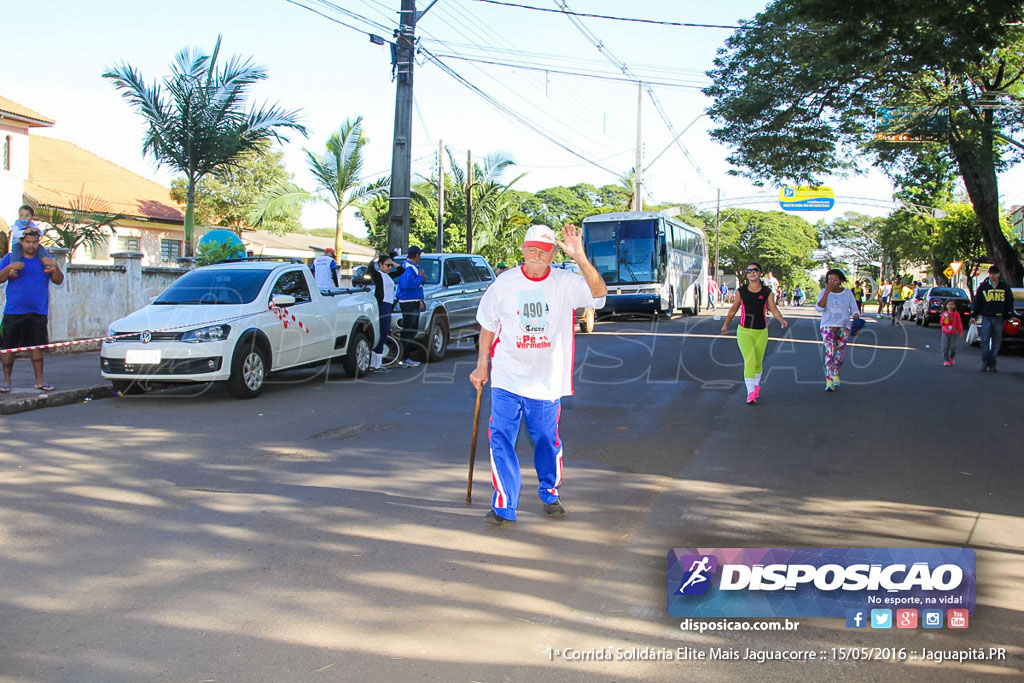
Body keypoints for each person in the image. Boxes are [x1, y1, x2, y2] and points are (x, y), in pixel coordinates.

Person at [469, 224, 606, 526]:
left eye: (543, 251)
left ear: (553, 254)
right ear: (522, 249)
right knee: (500, 436)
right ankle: (504, 503)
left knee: (546, 438)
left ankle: (549, 490)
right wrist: (482, 365)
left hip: (546, 380)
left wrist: (580, 256)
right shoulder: (505, 283)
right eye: (531, 249)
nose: (536, 255)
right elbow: (488, 325)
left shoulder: (565, 282)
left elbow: (598, 295)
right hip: (507, 375)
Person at [0, 227, 65, 392]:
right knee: (8, 349)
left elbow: (58, 280)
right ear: (21, 242)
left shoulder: (45, 260)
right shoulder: (11, 258)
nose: (31, 246)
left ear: (38, 242)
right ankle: (6, 382)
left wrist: (55, 267)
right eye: (27, 242)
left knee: (37, 348)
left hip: (38, 311)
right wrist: (10, 268)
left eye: (34, 242)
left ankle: (40, 381)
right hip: (14, 311)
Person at [720, 262, 789, 404]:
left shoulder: (766, 292)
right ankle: (750, 392)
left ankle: (756, 386)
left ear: (760, 273)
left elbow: (773, 309)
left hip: (761, 331)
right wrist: (726, 324)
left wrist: (781, 319)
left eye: (755, 270)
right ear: (746, 274)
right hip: (744, 331)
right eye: (749, 271)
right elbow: (733, 309)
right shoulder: (741, 291)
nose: (752, 273)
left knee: (758, 363)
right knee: (750, 360)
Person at [815, 269, 859, 391]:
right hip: (828, 326)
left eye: (835, 280)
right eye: (829, 280)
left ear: (840, 281)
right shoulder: (824, 292)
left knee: (840, 353)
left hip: (843, 326)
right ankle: (829, 379)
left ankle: (836, 374)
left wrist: (855, 315)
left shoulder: (848, 293)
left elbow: (854, 308)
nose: (832, 282)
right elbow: (819, 308)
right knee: (830, 351)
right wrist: (827, 292)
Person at [972, 265, 1018, 372]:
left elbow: (1009, 302)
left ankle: (992, 362)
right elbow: (977, 302)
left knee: (997, 342)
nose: (992, 276)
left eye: (994, 273)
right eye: (990, 273)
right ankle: (985, 361)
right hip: (986, 316)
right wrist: (973, 316)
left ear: (998, 274)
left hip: (999, 318)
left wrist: (1009, 315)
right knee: (984, 340)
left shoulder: (1004, 287)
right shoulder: (983, 287)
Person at [368, 254, 405, 373]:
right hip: (383, 304)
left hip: (389, 304)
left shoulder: (388, 275)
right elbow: (370, 269)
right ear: (380, 265)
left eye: (390, 265)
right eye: (387, 265)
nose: (390, 267)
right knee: (382, 332)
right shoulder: (379, 275)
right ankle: (377, 364)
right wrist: (374, 259)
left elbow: (401, 270)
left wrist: (392, 262)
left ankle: (375, 363)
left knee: (383, 332)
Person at [395, 245, 425, 368]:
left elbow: (416, 284)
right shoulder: (408, 267)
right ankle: (405, 357)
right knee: (409, 330)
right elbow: (407, 284)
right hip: (408, 302)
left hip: (412, 300)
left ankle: (405, 356)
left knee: (411, 329)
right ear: (417, 255)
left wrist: (422, 279)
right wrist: (420, 277)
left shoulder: (411, 267)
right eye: (420, 255)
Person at [940, 300, 964, 366]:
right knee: (945, 347)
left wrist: (960, 331)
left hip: (953, 332)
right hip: (945, 332)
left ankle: (952, 357)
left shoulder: (956, 314)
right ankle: (946, 360)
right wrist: (945, 319)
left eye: (952, 304)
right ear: (946, 306)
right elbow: (942, 323)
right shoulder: (944, 314)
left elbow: (959, 323)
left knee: (953, 347)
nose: (950, 306)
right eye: (949, 304)